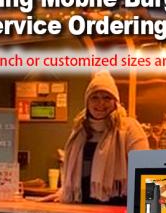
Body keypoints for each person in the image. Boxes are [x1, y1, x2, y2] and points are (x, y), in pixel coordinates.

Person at [46, 71, 149, 204]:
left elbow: (144, 170)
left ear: (115, 102)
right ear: (87, 102)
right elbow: (75, 175)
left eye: (107, 98)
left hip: (119, 208)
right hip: (83, 208)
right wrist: (64, 191)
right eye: (94, 97)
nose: (101, 103)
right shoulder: (80, 131)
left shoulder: (129, 128)